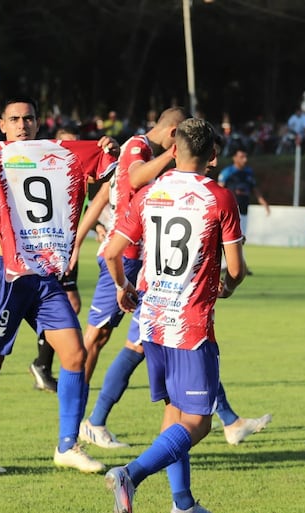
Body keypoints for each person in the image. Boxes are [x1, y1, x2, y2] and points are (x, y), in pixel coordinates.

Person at [0, 96, 119, 474]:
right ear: (2, 125)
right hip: (4, 276)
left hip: (43, 275)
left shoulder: (59, 155)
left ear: (39, 124)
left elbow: (100, 177)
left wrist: (107, 150)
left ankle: (67, 446)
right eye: (14, 119)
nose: (22, 125)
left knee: (75, 354)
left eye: (29, 119)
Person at [80, 130, 272, 450]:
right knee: (137, 352)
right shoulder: (142, 154)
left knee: (173, 393)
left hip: (150, 289)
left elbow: (107, 195)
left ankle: (187, 491)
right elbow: (236, 269)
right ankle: (106, 434)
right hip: (161, 291)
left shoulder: (152, 184)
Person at [104, 118, 246, 513]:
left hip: (151, 321)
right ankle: (130, 473)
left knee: (174, 413)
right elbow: (235, 269)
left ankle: (183, 504)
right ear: (213, 156)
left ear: (175, 149)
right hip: (191, 327)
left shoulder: (149, 192)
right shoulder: (220, 197)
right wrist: (228, 288)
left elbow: (112, 253)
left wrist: (123, 287)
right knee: (198, 423)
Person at [72, 107, 186, 448]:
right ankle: (74, 422)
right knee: (93, 338)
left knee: (136, 341)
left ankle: (89, 421)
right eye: (179, 141)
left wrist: (77, 242)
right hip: (124, 256)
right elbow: (134, 179)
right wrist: (171, 156)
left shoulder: (139, 149)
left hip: (139, 257)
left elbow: (109, 192)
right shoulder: (138, 147)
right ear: (172, 133)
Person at [29, 124, 83, 394]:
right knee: (68, 306)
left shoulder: (74, 171)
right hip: (50, 253)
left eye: (75, 144)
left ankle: (43, 365)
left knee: (68, 308)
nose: (69, 150)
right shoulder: (46, 171)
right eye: (65, 144)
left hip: (67, 250)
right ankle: (42, 365)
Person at [217, 149, 269, 275]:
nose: (244, 159)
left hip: (244, 208)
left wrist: (263, 201)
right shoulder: (228, 172)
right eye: (241, 157)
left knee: (241, 238)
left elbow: (254, 188)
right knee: (234, 237)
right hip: (231, 209)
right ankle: (234, 265)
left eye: (245, 156)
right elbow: (219, 188)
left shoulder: (248, 173)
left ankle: (231, 264)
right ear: (234, 158)